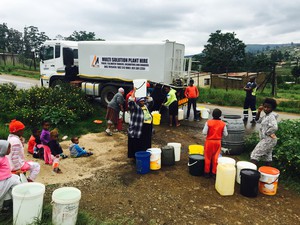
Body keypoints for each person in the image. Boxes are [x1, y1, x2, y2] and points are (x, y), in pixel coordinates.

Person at [250, 98, 278, 166]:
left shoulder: (271, 116)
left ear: (272, 108)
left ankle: (250, 173)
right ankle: (268, 173)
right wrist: (259, 111)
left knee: (254, 155)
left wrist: (267, 133)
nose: (266, 109)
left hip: (268, 139)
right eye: (265, 107)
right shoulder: (266, 116)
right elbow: (257, 120)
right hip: (269, 140)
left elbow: (274, 127)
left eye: (268, 107)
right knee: (267, 157)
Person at [127, 88, 153, 160]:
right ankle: (136, 157)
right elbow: (130, 101)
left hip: (146, 128)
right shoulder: (135, 107)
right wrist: (134, 92)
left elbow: (151, 102)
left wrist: (147, 96)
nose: (143, 102)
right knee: (137, 143)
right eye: (141, 101)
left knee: (145, 142)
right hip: (137, 128)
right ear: (138, 102)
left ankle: (145, 155)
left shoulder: (145, 106)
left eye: (144, 101)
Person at [202, 109, 228, 178]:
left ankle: (206, 172)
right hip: (218, 142)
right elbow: (226, 134)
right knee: (216, 157)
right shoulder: (223, 124)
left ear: (212, 114)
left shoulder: (208, 122)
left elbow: (204, 132)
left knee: (207, 157)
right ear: (220, 115)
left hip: (209, 142)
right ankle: (214, 173)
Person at [0, 140, 21, 212]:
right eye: (8, 148)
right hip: (2, 180)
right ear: (3, 149)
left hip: (7, 178)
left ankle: (9, 204)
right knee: (1, 195)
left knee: (16, 180)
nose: (10, 150)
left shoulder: (4, 157)